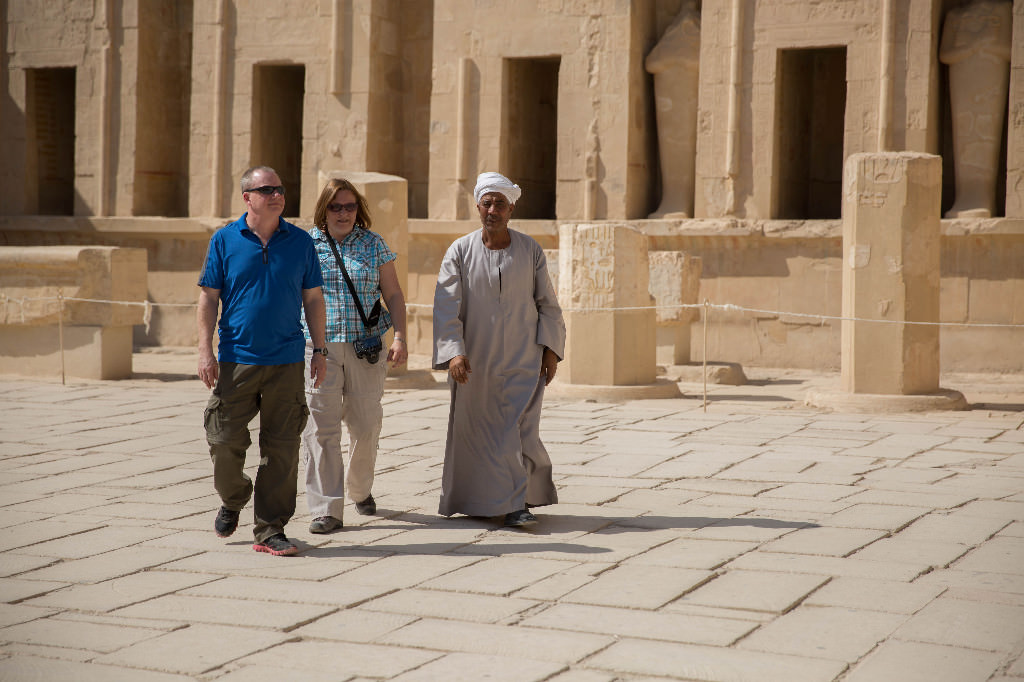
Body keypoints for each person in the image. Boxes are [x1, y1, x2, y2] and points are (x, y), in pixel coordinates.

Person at [197, 166, 327, 557]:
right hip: (237, 360)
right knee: (223, 441)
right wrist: (205, 351)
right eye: (266, 189)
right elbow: (208, 298)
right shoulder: (224, 241)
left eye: (280, 188)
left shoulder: (301, 242)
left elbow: (314, 299)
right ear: (247, 198)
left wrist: (319, 351)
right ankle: (234, 496)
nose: (276, 195)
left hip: (287, 360)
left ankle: (270, 528)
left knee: (283, 449)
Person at [432, 172, 566, 527]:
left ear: (510, 209)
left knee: (517, 430)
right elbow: (447, 305)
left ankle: (516, 501)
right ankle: (492, 501)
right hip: (475, 364)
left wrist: (551, 349)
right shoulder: (459, 251)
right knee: (479, 435)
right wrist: (454, 352)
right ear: (478, 206)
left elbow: (546, 302)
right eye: (487, 203)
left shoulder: (530, 250)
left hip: (524, 359)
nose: (493, 210)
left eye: (500, 204)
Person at [301, 178, 408, 534]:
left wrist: (402, 337)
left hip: (366, 348)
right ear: (324, 210)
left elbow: (393, 294)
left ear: (358, 209)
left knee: (366, 425)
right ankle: (326, 509)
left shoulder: (373, 244)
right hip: (320, 348)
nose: (343, 213)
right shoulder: (306, 244)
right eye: (335, 206)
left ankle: (360, 489)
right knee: (320, 429)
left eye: (349, 206)